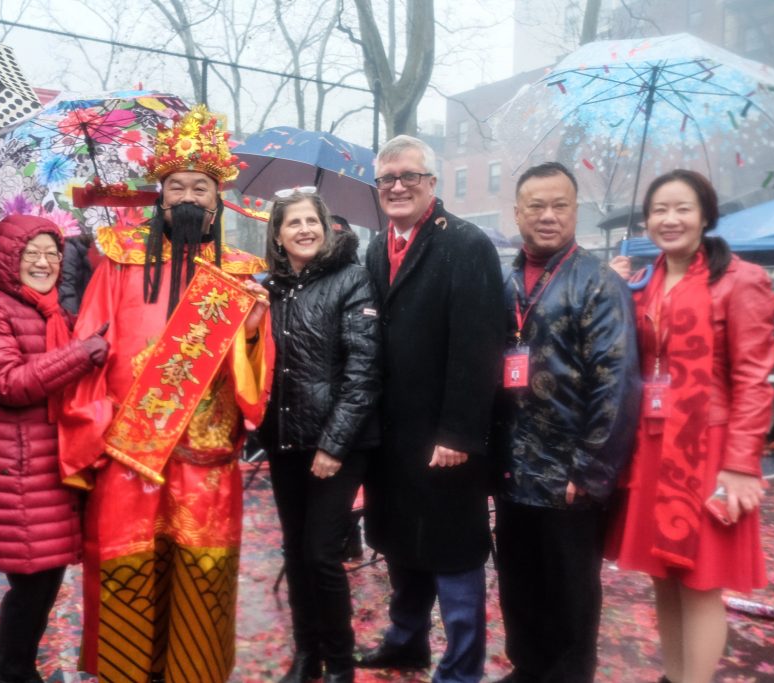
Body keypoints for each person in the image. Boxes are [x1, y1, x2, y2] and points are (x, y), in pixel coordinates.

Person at [58, 104, 272, 683]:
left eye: (199, 186)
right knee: (129, 563)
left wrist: (251, 334)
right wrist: (94, 430)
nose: (187, 196)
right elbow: (89, 348)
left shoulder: (237, 273)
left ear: (217, 197)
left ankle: (195, 673)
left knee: (202, 565)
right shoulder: (121, 261)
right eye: (175, 184)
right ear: (159, 194)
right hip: (131, 451)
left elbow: (257, 374)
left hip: (206, 451)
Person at [606, 169, 774, 683]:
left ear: (705, 215)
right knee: (663, 575)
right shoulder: (643, 281)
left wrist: (743, 466)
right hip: (652, 445)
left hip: (710, 450)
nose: (670, 219)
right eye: (659, 209)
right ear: (646, 219)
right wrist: (614, 293)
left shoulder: (740, 279)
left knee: (700, 581)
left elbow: (753, 378)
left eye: (682, 208)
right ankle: (674, 674)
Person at [354, 134, 505, 682]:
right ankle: (406, 640)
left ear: (431, 184)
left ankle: (462, 666)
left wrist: (459, 433)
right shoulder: (375, 246)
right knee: (399, 542)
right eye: (387, 178)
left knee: (454, 551)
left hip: (444, 433)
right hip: (391, 433)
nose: (397, 187)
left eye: (409, 177)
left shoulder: (466, 244)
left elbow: (480, 343)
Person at [490, 162, 641, 682]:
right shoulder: (503, 280)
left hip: (568, 477)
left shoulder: (599, 285)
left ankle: (567, 674)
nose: (548, 216)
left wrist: (590, 469)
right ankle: (527, 667)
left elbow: (616, 385)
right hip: (512, 468)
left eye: (560, 205)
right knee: (518, 580)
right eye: (536, 205)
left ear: (576, 211)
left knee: (571, 591)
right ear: (517, 212)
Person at [0, 214, 111, 683]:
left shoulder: (55, 315)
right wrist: (81, 352)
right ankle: (11, 670)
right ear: (9, 259)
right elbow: (7, 383)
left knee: (45, 579)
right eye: (32, 254)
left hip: (50, 465)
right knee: (31, 582)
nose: (44, 263)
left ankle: (16, 667)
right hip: (15, 465)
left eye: (52, 253)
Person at [257, 190, 381, 683]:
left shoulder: (351, 279)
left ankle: (340, 662)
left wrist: (333, 445)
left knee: (321, 556)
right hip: (286, 439)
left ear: (326, 227)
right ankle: (307, 654)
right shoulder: (269, 289)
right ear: (278, 234)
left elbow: (364, 370)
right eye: (294, 223)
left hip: (337, 443)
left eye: (313, 220)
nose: (305, 229)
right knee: (294, 550)